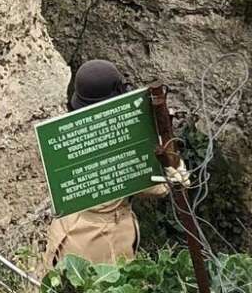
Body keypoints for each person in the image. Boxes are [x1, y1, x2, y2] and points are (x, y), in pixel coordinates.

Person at [44, 59, 168, 269]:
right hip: (103, 241)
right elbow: (160, 186)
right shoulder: (120, 145)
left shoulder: (67, 135)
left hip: (65, 231)